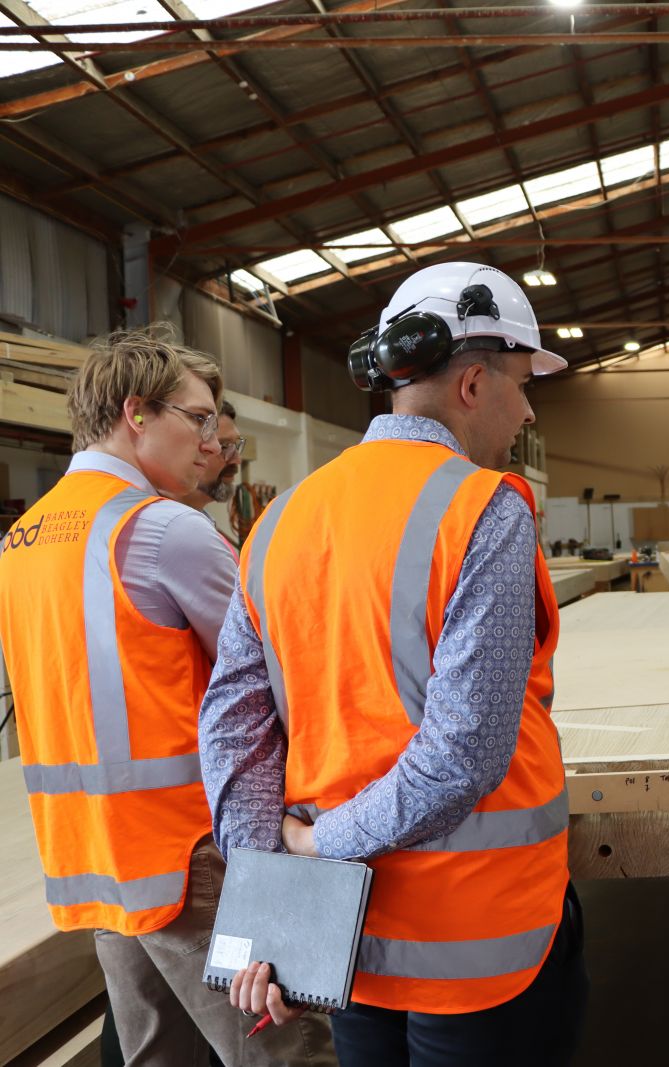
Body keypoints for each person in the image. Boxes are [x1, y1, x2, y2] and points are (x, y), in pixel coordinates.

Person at [200, 262, 586, 1066]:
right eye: (521, 384)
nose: (527, 408)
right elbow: (464, 756)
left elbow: (236, 728)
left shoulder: (279, 521)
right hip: (481, 945)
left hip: (347, 944)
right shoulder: (485, 507)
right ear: (473, 384)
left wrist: (272, 903)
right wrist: (320, 847)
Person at [0, 327, 333, 1066]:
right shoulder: (161, 530)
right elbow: (281, 676)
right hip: (192, 855)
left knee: (157, 1057)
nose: (211, 439)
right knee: (287, 1053)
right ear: (136, 413)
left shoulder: (23, 540)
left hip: (96, 855)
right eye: (198, 417)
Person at [175, 399, 243, 546]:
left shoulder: (203, 527)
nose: (236, 459)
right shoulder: (172, 533)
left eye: (236, 446)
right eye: (224, 446)